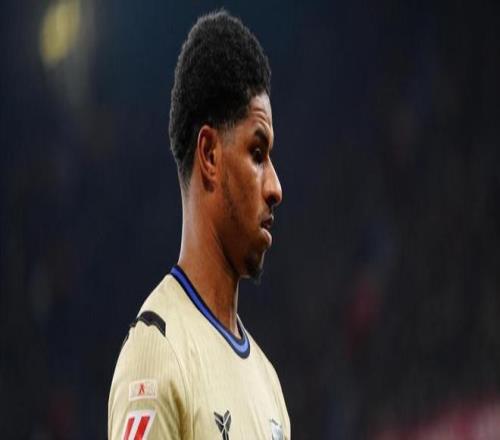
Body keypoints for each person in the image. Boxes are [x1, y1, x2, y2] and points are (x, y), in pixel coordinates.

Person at [108, 10, 290, 439]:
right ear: (209, 155)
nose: (275, 187)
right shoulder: (157, 355)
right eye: (257, 153)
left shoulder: (268, 384)